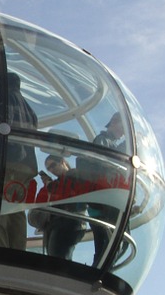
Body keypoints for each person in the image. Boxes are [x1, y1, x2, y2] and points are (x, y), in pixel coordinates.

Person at [0, 72, 39, 250]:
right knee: (15, 211)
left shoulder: (3, 99)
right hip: (27, 165)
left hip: (8, 162)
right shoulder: (29, 109)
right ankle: (17, 253)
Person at [84, 111, 127, 265]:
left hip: (110, 197)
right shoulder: (102, 140)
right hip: (103, 199)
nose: (123, 133)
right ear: (114, 123)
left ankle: (100, 269)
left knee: (119, 242)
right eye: (122, 127)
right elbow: (102, 162)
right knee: (107, 243)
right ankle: (96, 272)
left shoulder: (113, 143)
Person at [31, 155, 87, 261]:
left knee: (58, 259)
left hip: (69, 220)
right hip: (55, 223)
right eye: (49, 169)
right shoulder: (56, 183)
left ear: (62, 162)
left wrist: (50, 187)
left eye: (53, 165)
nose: (52, 170)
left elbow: (70, 193)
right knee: (54, 257)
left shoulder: (75, 175)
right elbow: (38, 204)